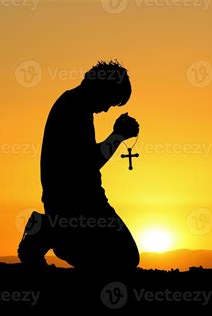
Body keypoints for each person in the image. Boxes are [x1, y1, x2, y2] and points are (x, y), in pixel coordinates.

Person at [18, 60, 140, 270]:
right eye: (111, 101)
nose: (106, 109)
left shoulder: (73, 105)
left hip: (82, 202)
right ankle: (48, 230)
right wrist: (117, 136)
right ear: (104, 88)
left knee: (121, 258)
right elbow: (88, 163)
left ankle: (51, 230)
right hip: (77, 205)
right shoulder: (74, 109)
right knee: (123, 259)